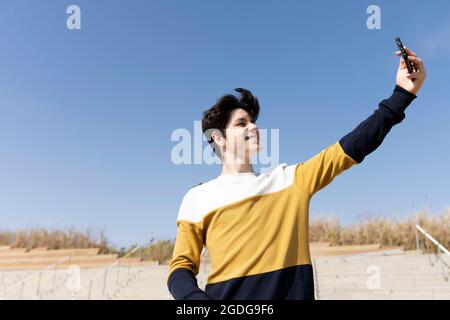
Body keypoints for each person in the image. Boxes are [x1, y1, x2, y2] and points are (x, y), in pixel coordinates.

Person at [166, 47, 426, 300]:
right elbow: (180, 268)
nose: (254, 127)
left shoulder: (289, 180)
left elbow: (351, 147)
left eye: (254, 122)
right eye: (242, 123)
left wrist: (402, 94)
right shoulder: (197, 198)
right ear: (219, 139)